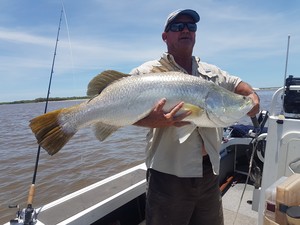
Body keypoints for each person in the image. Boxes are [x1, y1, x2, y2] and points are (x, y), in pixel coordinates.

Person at [131, 9, 260, 225]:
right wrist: (152, 120)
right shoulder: (147, 73)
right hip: (168, 177)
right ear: (165, 36)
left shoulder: (210, 72)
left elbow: (237, 83)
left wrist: (252, 96)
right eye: (177, 26)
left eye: (191, 27)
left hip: (209, 173)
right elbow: (117, 109)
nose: (185, 30)